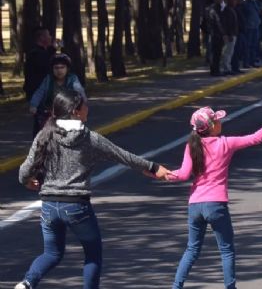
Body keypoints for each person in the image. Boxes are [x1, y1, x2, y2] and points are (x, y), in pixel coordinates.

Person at [15, 90, 170, 289]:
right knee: (93, 254)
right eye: (85, 105)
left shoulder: (44, 135)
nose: (88, 108)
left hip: (49, 206)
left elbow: (25, 171)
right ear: (75, 112)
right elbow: (123, 155)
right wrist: (153, 168)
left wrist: (27, 181)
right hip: (76, 206)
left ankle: (27, 283)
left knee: (51, 253)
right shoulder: (89, 138)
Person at [167, 105, 262, 289]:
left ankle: (176, 286)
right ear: (212, 126)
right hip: (216, 205)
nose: (221, 122)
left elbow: (182, 175)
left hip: (195, 206)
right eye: (217, 120)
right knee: (226, 250)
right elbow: (256, 138)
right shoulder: (225, 143)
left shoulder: (191, 145)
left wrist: (159, 173)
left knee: (192, 249)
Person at [29, 53, 87, 137]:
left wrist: (82, 103)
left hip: (68, 112)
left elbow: (79, 91)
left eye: (62, 67)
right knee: (40, 134)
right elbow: (39, 92)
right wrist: (33, 105)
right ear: (52, 69)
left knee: (72, 134)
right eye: (56, 68)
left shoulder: (72, 79)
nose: (59, 71)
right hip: (49, 113)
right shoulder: (48, 79)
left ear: (67, 68)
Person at [23, 27, 56, 102]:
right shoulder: (37, 54)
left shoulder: (42, 52)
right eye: (48, 35)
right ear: (42, 38)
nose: (51, 37)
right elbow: (44, 71)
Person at [205, 0, 226, 76]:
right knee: (214, 53)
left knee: (218, 53)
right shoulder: (211, 9)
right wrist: (223, 33)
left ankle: (216, 69)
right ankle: (214, 70)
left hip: (216, 33)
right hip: (214, 34)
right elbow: (217, 22)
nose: (220, 0)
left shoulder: (219, 8)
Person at [240, 0, 261, 67]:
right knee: (247, 46)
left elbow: (258, 11)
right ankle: (246, 62)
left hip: (256, 26)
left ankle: (252, 61)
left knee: (254, 45)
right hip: (249, 27)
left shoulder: (255, 2)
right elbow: (243, 15)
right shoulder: (246, 3)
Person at [220, 0, 239, 75]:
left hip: (233, 34)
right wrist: (229, 34)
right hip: (230, 35)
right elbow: (227, 24)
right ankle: (226, 68)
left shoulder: (232, 10)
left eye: (236, 0)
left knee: (230, 52)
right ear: (229, 0)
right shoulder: (227, 10)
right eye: (233, 0)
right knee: (227, 52)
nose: (235, 2)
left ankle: (228, 67)